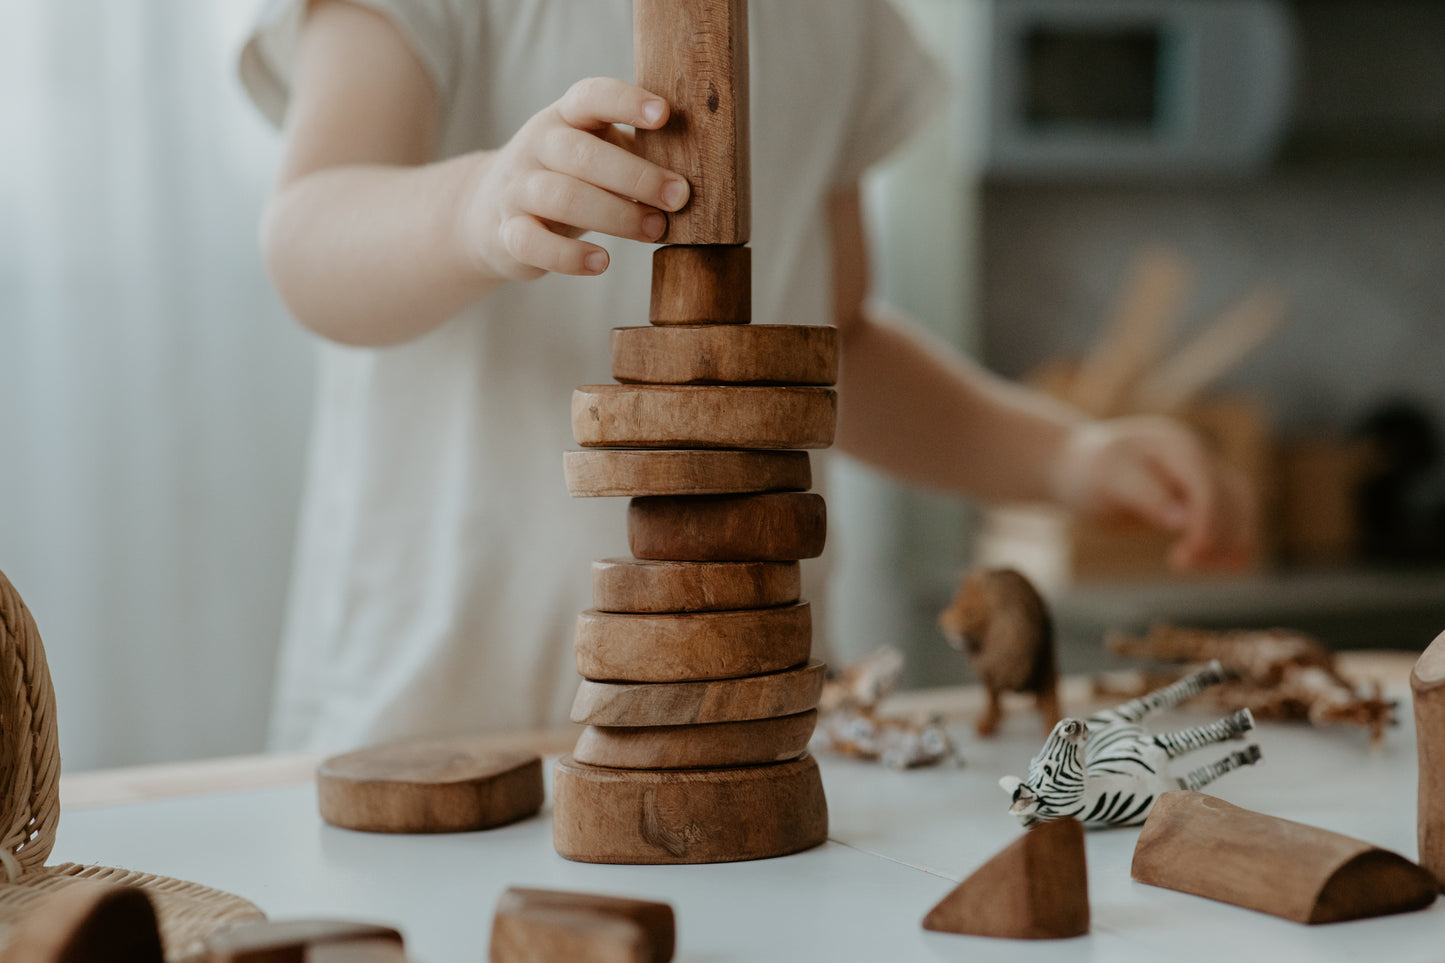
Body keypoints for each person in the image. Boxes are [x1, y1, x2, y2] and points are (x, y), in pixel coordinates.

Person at [239, 0, 1255, 752]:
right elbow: (309, 239)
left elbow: (834, 343)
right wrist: (477, 206)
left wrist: (1061, 456)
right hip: (443, 717)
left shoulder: (840, 18)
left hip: (739, 716)